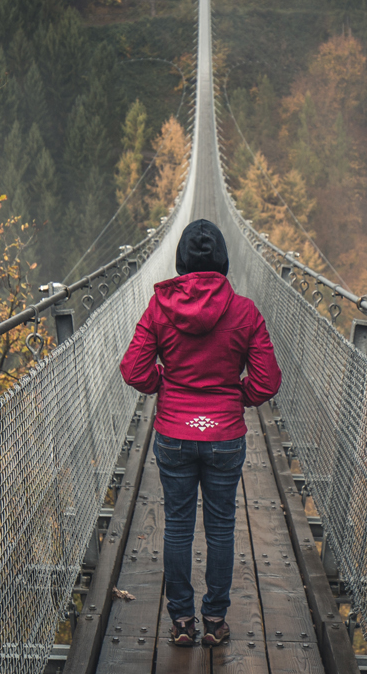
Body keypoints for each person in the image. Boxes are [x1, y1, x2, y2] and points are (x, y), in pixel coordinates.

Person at [119, 218, 281, 648]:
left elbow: (133, 370)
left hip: (174, 431)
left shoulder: (159, 308)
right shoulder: (245, 311)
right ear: (224, 260)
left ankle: (181, 622)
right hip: (224, 435)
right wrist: (234, 397)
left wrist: (166, 388)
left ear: (181, 262)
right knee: (222, 527)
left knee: (176, 526)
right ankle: (214, 620)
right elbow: (267, 383)